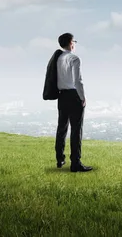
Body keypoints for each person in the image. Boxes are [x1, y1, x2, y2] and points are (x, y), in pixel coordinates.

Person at [52, 33, 93, 173]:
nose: (74, 43)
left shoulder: (58, 58)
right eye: (73, 41)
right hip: (73, 96)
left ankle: (60, 159)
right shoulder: (74, 58)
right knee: (76, 130)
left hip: (62, 96)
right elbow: (77, 81)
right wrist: (82, 97)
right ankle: (75, 163)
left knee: (61, 129)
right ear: (71, 43)